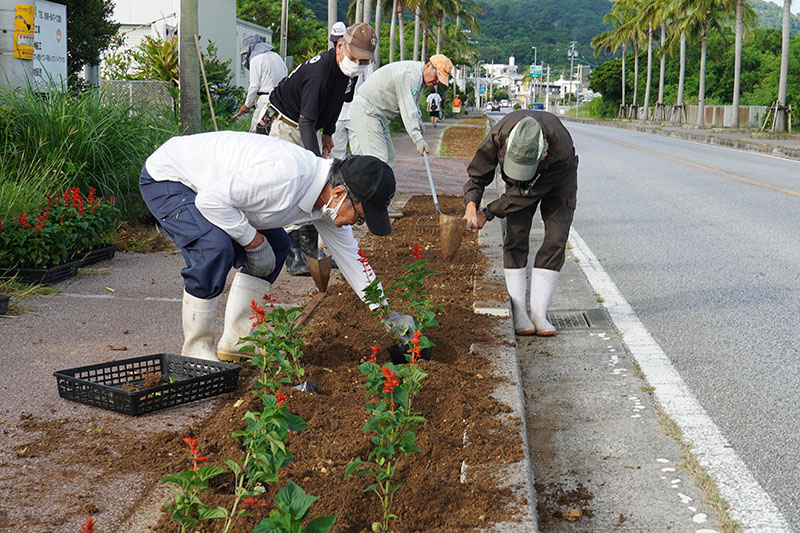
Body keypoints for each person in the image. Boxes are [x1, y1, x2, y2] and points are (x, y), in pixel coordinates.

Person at [140, 131, 413, 362]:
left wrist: (387, 313)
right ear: (340, 194)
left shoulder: (328, 202)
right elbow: (210, 202)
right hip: (171, 178)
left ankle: (239, 339)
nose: (358, 224)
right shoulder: (286, 178)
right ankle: (196, 353)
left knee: (278, 243)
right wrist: (253, 241)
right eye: (361, 216)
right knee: (214, 248)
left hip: (216, 191)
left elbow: (353, 259)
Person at [267, 22, 377, 276]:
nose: (358, 65)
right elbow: (305, 121)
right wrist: (315, 164)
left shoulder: (345, 72)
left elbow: (338, 101)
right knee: (297, 186)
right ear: (340, 46)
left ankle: (312, 252)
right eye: (355, 58)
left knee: (315, 189)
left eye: (364, 61)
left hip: (310, 125)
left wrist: (328, 132)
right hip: (287, 123)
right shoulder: (319, 73)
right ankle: (294, 255)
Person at [462, 110, 578, 337]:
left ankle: (539, 313)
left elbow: (525, 194)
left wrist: (488, 212)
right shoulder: (498, 136)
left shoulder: (559, 149)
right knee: (516, 235)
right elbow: (477, 176)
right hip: (518, 186)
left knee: (556, 238)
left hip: (558, 181)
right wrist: (470, 205)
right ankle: (518, 312)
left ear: (542, 154)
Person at [349, 54, 453, 218]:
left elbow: (413, 104)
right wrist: (417, 138)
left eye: (440, 79)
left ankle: (381, 202)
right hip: (367, 111)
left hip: (379, 116)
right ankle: (370, 206)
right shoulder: (410, 75)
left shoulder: (419, 79)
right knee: (379, 159)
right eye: (437, 76)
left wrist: (418, 119)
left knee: (389, 157)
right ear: (428, 66)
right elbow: (406, 109)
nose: (437, 81)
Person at [236, 34, 287, 133]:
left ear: (251, 48)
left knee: (256, 131)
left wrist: (247, 105)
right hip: (281, 99)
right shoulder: (277, 56)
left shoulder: (256, 59)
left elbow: (254, 86)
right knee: (275, 131)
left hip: (266, 101)